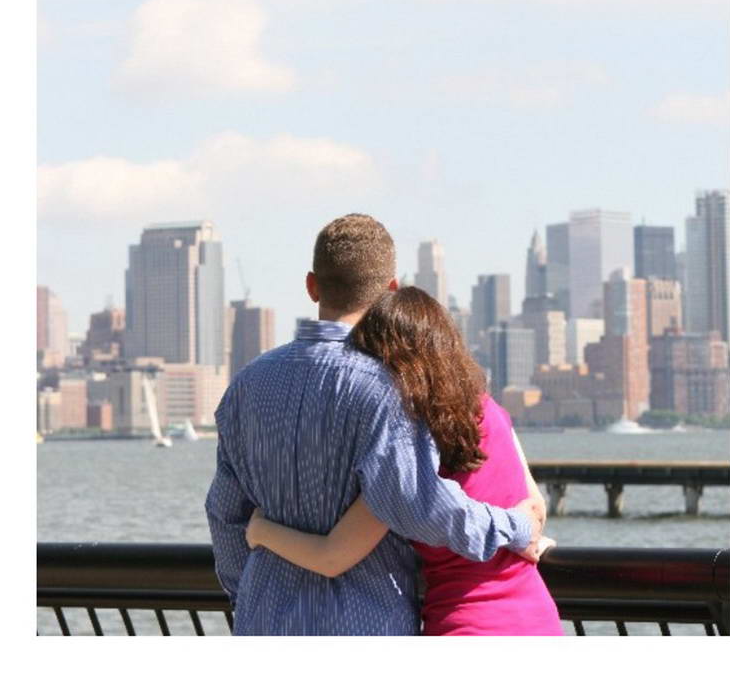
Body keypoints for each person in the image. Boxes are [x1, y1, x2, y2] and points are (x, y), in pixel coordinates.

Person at [205, 214, 544, 635]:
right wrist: (517, 527)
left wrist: (249, 595)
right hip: (363, 625)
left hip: (263, 621)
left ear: (312, 286)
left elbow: (224, 514)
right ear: (390, 290)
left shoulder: (246, 385)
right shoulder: (390, 387)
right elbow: (420, 507)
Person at [245, 286, 563, 635]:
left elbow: (332, 556)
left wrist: (261, 530)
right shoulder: (490, 410)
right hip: (537, 618)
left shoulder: (411, 448)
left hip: (466, 626)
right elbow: (535, 508)